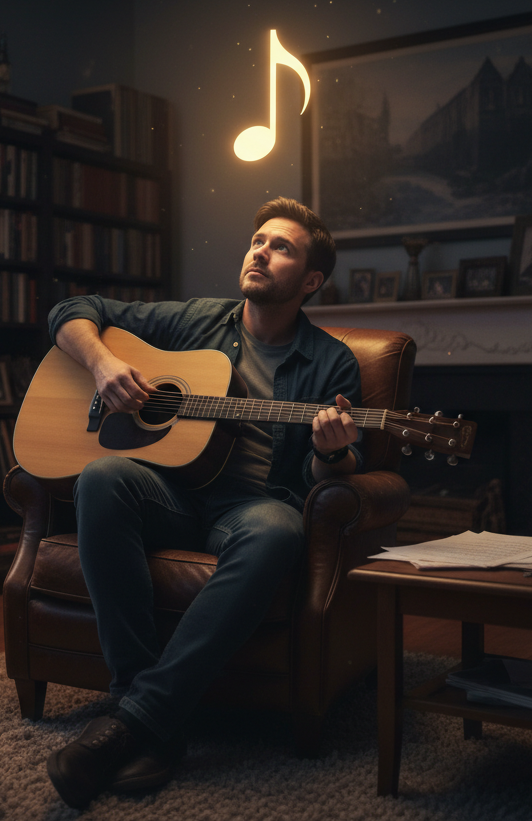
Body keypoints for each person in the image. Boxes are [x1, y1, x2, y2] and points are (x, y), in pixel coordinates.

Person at [44, 197, 362, 809]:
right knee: (102, 476)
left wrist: (331, 451)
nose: (260, 251)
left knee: (278, 529)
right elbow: (72, 310)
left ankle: (134, 720)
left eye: (281, 247)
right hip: (172, 493)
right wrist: (103, 364)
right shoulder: (195, 321)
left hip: (252, 506)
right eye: (258, 240)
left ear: (311, 280)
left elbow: (333, 477)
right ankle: (146, 711)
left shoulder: (332, 362)